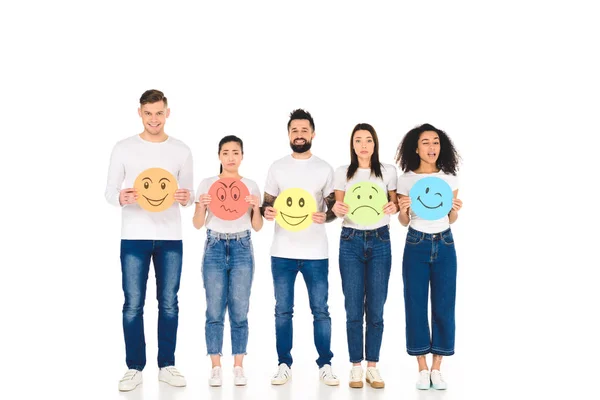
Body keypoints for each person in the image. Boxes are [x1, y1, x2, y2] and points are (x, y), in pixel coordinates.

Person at [105, 89, 193, 392]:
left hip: (170, 237)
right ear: (140, 113)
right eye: (148, 113)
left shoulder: (181, 150)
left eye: (159, 112)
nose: (154, 119)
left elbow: (189, 195)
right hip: (133, 236)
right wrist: (121, 197)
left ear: (167, 113)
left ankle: (167, 364)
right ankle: (134, 368)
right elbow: (109, 191)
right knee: (133, 304)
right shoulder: (123, 148)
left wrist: (186, 197)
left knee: (169, 303)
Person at [262, 109, 340, 386]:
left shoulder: (324, 168)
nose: (299, 135)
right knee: (283, 310)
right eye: (294, 130)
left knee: (320, 310)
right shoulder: (277, 167)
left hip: (316, 253)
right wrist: (266, 212)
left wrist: (327, 216)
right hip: (282, 251)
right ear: (288, 134)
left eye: (304, 130)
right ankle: (284, 363)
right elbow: (266, 205)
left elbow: (333, 208)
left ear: (313, 134)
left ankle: (326, 364)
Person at [395, 123, 463, 390]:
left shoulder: (450, 179)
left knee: (444, 304)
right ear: (416, 147)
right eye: (426, 142)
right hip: (416, 241)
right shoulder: (405, 180)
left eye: (435, 142)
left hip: (445, 243)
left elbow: (451, 218)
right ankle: (421, 368)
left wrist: (455, 209)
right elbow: (403, 220)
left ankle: (437, 368)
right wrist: (403, 209)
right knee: (415, 304)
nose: (432, 147)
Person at [332, 123, 398, 389]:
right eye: (358, 140)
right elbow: (337, 208)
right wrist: (337, 208)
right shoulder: (342, 173)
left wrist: (393, 206)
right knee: (353, 306)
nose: (363, 145)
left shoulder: (387, 172)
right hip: (350, 240)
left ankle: (373, 365)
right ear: (352, 145)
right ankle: (356, 366)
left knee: (377, 306)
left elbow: (394, 203)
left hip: (380, 239)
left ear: (375, 144)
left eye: (368, 140)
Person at [193, 135, 262, 387]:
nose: (230, 157)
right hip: (214, 245)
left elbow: (257, 227)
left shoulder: (251, 185)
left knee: (240, 308)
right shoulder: (207, 184)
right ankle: (215, 366)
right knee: (214, 308)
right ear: (219, 156)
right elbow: (198, 224)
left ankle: (239, 365)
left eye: (235, 152)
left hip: (242, 245)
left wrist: (255, 208)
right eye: (225, 152)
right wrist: (201, 205)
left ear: (242, 156)